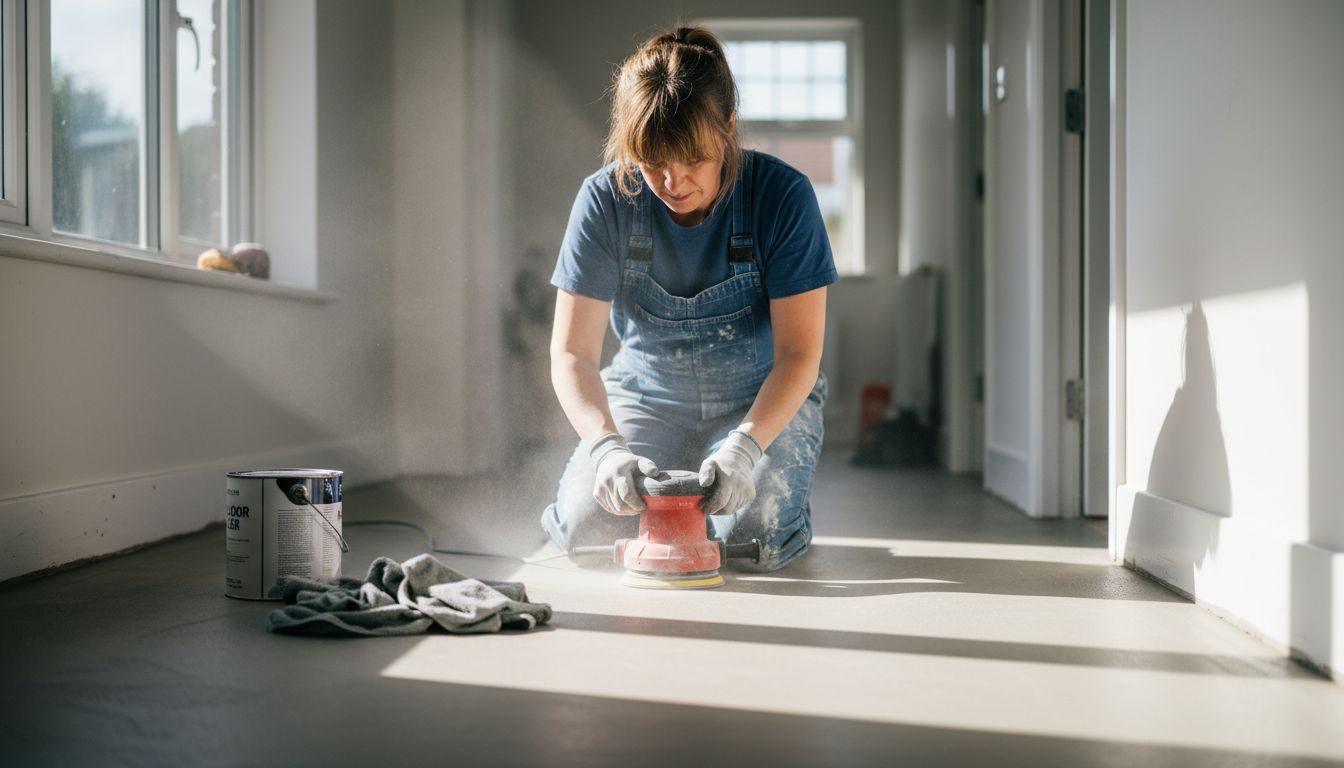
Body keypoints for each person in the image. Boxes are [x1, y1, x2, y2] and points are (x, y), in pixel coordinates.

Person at [540, 26, 836, 572]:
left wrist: (746, 450)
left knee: (752, 535)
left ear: (727, 128)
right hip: (646, 396)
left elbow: (800, 355)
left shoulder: (784, 197)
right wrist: (606, 448)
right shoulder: (604, 200)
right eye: (653, 161)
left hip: (759, 401)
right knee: (586, 527)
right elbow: (572, 353)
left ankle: (775, 500)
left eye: (693, 160)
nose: (673, 182)